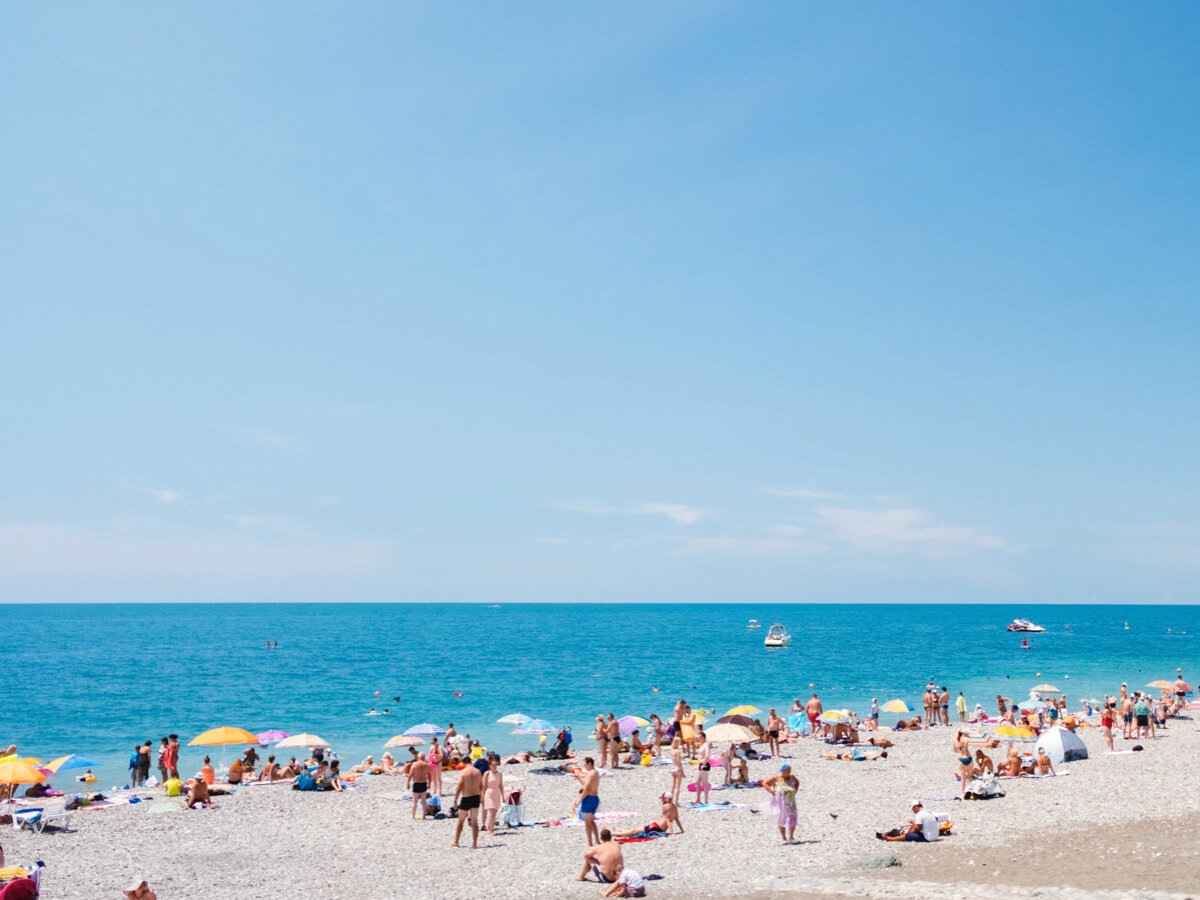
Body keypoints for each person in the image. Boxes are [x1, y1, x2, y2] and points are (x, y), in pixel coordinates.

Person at [762, 762, 799, 843]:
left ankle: (791, 837)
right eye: (788, 770)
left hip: (790, 800)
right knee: (781, 816)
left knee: (792, 816)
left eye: (790, 770)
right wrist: (771, 791)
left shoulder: (791, 777)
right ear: (784, 770)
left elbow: (797, 782)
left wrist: (795, 791)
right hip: (780, 801)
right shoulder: (776, 777)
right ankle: (783, 838)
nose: (790, 771)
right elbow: (764, 783)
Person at [453, 761, 483, 848]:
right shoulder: (478, 772)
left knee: (461, 820)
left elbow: (459, 786)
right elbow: (481, 786)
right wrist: (481, 796)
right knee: (474, 821)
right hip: (476, 797)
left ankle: (456, 841)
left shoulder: (464, 772)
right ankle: (474, 844)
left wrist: (455, 799)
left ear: (464, 763)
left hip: (466, 798)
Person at [573, 757, 602, 846]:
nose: (585, 767)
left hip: (589, 798)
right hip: (595, 798)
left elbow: (586, 789)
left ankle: (590, 842)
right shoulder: (595, 773)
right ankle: (597, 840)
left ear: (590, 763)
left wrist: (579, 800)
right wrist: (579, 778)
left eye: (585, 764)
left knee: (587, 822)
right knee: (591, 821)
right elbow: (586, 784)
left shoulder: (591, 773)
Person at [481, 757, 503, 835]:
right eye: (493, 764)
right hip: (489, 793)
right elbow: (484, 786)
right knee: (492, 812)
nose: (494, 765)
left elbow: (501, 785)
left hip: (496, 793)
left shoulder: (499, 774)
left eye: (496, 764)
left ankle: (490, 826)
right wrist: (482, 796)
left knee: (494, 812)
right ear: (490, 764)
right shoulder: (487, 773)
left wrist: (503, 796)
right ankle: (491, 830)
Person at [408, 753, 431, 819]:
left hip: (416, 784)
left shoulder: (414, 764)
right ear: (424, 757)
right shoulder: (426, 765)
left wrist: (408, 783)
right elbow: (429, 775)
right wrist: (429, 784)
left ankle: (413, 816)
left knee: (415, 801)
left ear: (418, 757)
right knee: (423, 801)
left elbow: (410, 775)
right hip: (424, 784)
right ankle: (424, 816)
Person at [694, 728, 711, 805]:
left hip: (704, 765)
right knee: (697, 783)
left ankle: (706, 801)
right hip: (701, 765)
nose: (698, 738)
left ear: (703, 737)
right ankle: (698, 799)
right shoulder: (701, 745)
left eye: (699, 737)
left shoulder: (706, 745)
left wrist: (703, 764)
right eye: (697, 737)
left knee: (704, 783)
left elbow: (707, 755)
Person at [668, 736, 684, 805]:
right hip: (677, 768)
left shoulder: (671, 751)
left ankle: (670, 800)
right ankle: (676, 802)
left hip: (672, 768)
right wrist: (682, 771)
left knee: (672, 785)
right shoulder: (678, 751)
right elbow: (679, 762)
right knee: (677, 786)